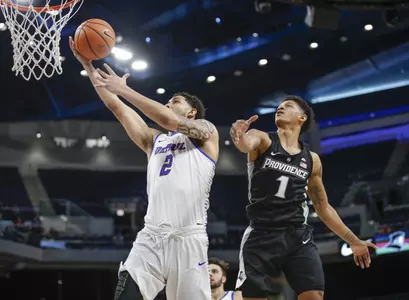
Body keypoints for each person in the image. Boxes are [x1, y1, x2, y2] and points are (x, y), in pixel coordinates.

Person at [69, 37, 219, 300]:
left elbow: (167, 119)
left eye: (175, 100)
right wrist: (89, 67)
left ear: (192, 112)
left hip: (189, 239)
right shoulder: (154, 140)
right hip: (151, 236)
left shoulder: (206, 132)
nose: (168, 103)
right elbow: (117, 107)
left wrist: (124, 89)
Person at [229, 95, 377, 300]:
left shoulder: (312, 160)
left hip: (297, 235)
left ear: (302, 117)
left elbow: (323, 207)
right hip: (261, 234)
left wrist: (353, 241)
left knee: (314, 295)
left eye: (287, 106)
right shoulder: (262, 139)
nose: (279, 108)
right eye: (278, 107)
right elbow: (246, 144)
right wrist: (239, 134)